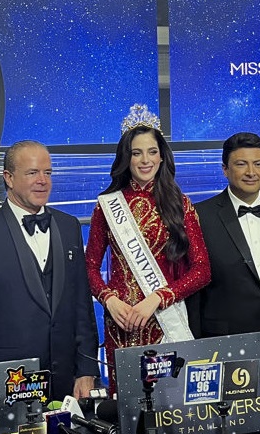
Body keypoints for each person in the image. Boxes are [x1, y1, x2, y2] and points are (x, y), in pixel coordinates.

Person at [0, 140, 99, 400]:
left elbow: (82, 306)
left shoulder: (69, 227)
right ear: (8, 178)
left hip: (66, 384)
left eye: (47, 172)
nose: (42, 181)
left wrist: (86, 369)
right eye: (32, 172)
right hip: (6, 387)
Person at [85, 104, 210, 392]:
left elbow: (202, 270)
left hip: (164, 321)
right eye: (136, 153)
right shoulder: (107, 205)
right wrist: (109, 300)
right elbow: (89, 266)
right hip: (121, 323)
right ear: (125, 157)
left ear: (162, 155)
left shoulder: (180, 204)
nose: (145, 160)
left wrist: (157, 298)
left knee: (168, 401)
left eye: (152, 152)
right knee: (126, 402)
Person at [186, 132, 260, 353]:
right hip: (224, 343)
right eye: (241, 164)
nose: (251, 172)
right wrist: (194, 348)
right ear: (225, 169)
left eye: (258, 164)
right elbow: (195, 292)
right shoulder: (200, 215)